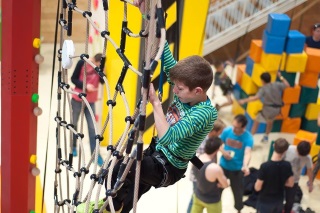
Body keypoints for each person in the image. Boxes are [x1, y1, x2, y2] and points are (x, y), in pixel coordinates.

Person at [77, 33, 218, 213]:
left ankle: (112, 207)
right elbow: (166, 55)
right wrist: (149, 17)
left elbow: (168, 137)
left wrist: (156, 103)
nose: (174, 90)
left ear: (198, 91)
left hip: (168, 167)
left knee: (121, 169)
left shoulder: (204, 113)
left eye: (179, 89)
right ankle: (114, 206)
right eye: (175, 85)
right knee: (127, 186)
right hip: (155, 152)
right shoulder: (187, 88)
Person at [71, 53, 104, 166]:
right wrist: (85, 86)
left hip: (90, 102)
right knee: (74, 123)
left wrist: (101, 70)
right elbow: (73, 79)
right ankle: (73, 147)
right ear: (94, 60)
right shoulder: (82, 63)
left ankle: (95, 155)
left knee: (92, 128)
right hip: (78, 99)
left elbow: (103, 81)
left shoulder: (99, 68)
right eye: (97, 64)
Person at [238, 71, 290, 143]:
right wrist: (280, 76)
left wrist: (244, 100)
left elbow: (255, 98)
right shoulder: (276, 84)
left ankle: (250, 138)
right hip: (277, 110)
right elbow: (287, 85)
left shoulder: (263, 89)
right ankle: (266, 137)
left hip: (268, 110)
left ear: (262, 80)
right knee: (270, 122)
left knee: (256, 121)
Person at [187, 119, 226, 213]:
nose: (220, 134)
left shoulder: (212, 140)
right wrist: (205, 171)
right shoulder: (201, 141)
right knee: (195, 198)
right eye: (219, 132)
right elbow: (193, 157)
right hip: (199, 176)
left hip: (208, 175)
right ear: (213, 131)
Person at [219, 114, 254, 213]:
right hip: (223, 166)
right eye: (233, 125)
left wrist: (245, 165)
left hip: (237, 170)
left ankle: (239, 210)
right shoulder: (227, 131)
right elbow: (219, 144)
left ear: (243, 127)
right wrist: (223, 152)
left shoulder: (248, 138)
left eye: (237, 127)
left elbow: (247, 153)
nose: (233, 129)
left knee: (238, 193)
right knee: (217, 190)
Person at [254, 138, 294, 213]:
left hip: (265, 202)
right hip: (278, 201)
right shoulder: (287, 165)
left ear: (273, 146)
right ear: (285, 150)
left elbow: (257, 188)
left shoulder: (265, 166)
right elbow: (291, 184)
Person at [191, 137, 229, 213]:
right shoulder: (215, 168)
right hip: (212, 200)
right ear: (217, 150)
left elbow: (200, 174)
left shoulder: (196, 158)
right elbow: (225, 185)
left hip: (198, 196)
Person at [283, 141, 313, 213]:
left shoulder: (308, 158)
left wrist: (311, 183)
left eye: (302, 156)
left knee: (290, 201)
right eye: (298, 153)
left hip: (294, 181)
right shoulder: (288, 149)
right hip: (282, 178)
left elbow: (309, 170)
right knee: (277, 198)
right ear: (296, 148)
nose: (300, 156)